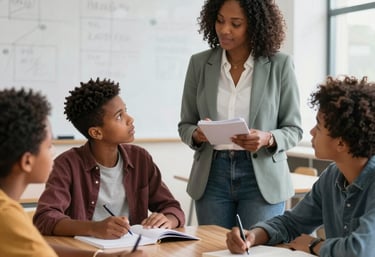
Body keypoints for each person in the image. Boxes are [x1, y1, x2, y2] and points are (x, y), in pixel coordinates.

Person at [178, 0, 302, 229]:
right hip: (212, 175)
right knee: (214, 249)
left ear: (255, 25)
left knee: (257, 250)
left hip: (262, 177)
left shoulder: (280, 65)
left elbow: (294, 129)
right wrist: (197, 134)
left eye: (236, 24)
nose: (225, 30)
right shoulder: (199, 63)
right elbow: (185, 124)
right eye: (220, 20)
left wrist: (268, 138)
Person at [226, 75, 375, 257]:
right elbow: (292, 222)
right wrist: (253, 236)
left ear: (341, 144)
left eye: (319, 127)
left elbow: (360, 251)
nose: (311, 132)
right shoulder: (332, 176)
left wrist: (313, 244)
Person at [0, 88, 146, 257]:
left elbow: (37, 246)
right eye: (49, 146)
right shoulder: (8, 218)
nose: (53, 152)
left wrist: (100, 256)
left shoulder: (8, 211)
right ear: (27, 161)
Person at [33, 78, 185, 238]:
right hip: (86, 252)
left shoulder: (140, 159)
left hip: (132, 250)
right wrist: (93, 228)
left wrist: (167, 220)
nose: (130, 119)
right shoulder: (67, 165)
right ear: (96, 133)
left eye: (125, 110)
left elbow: (172, 208)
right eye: (119, 116)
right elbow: (44, 218)